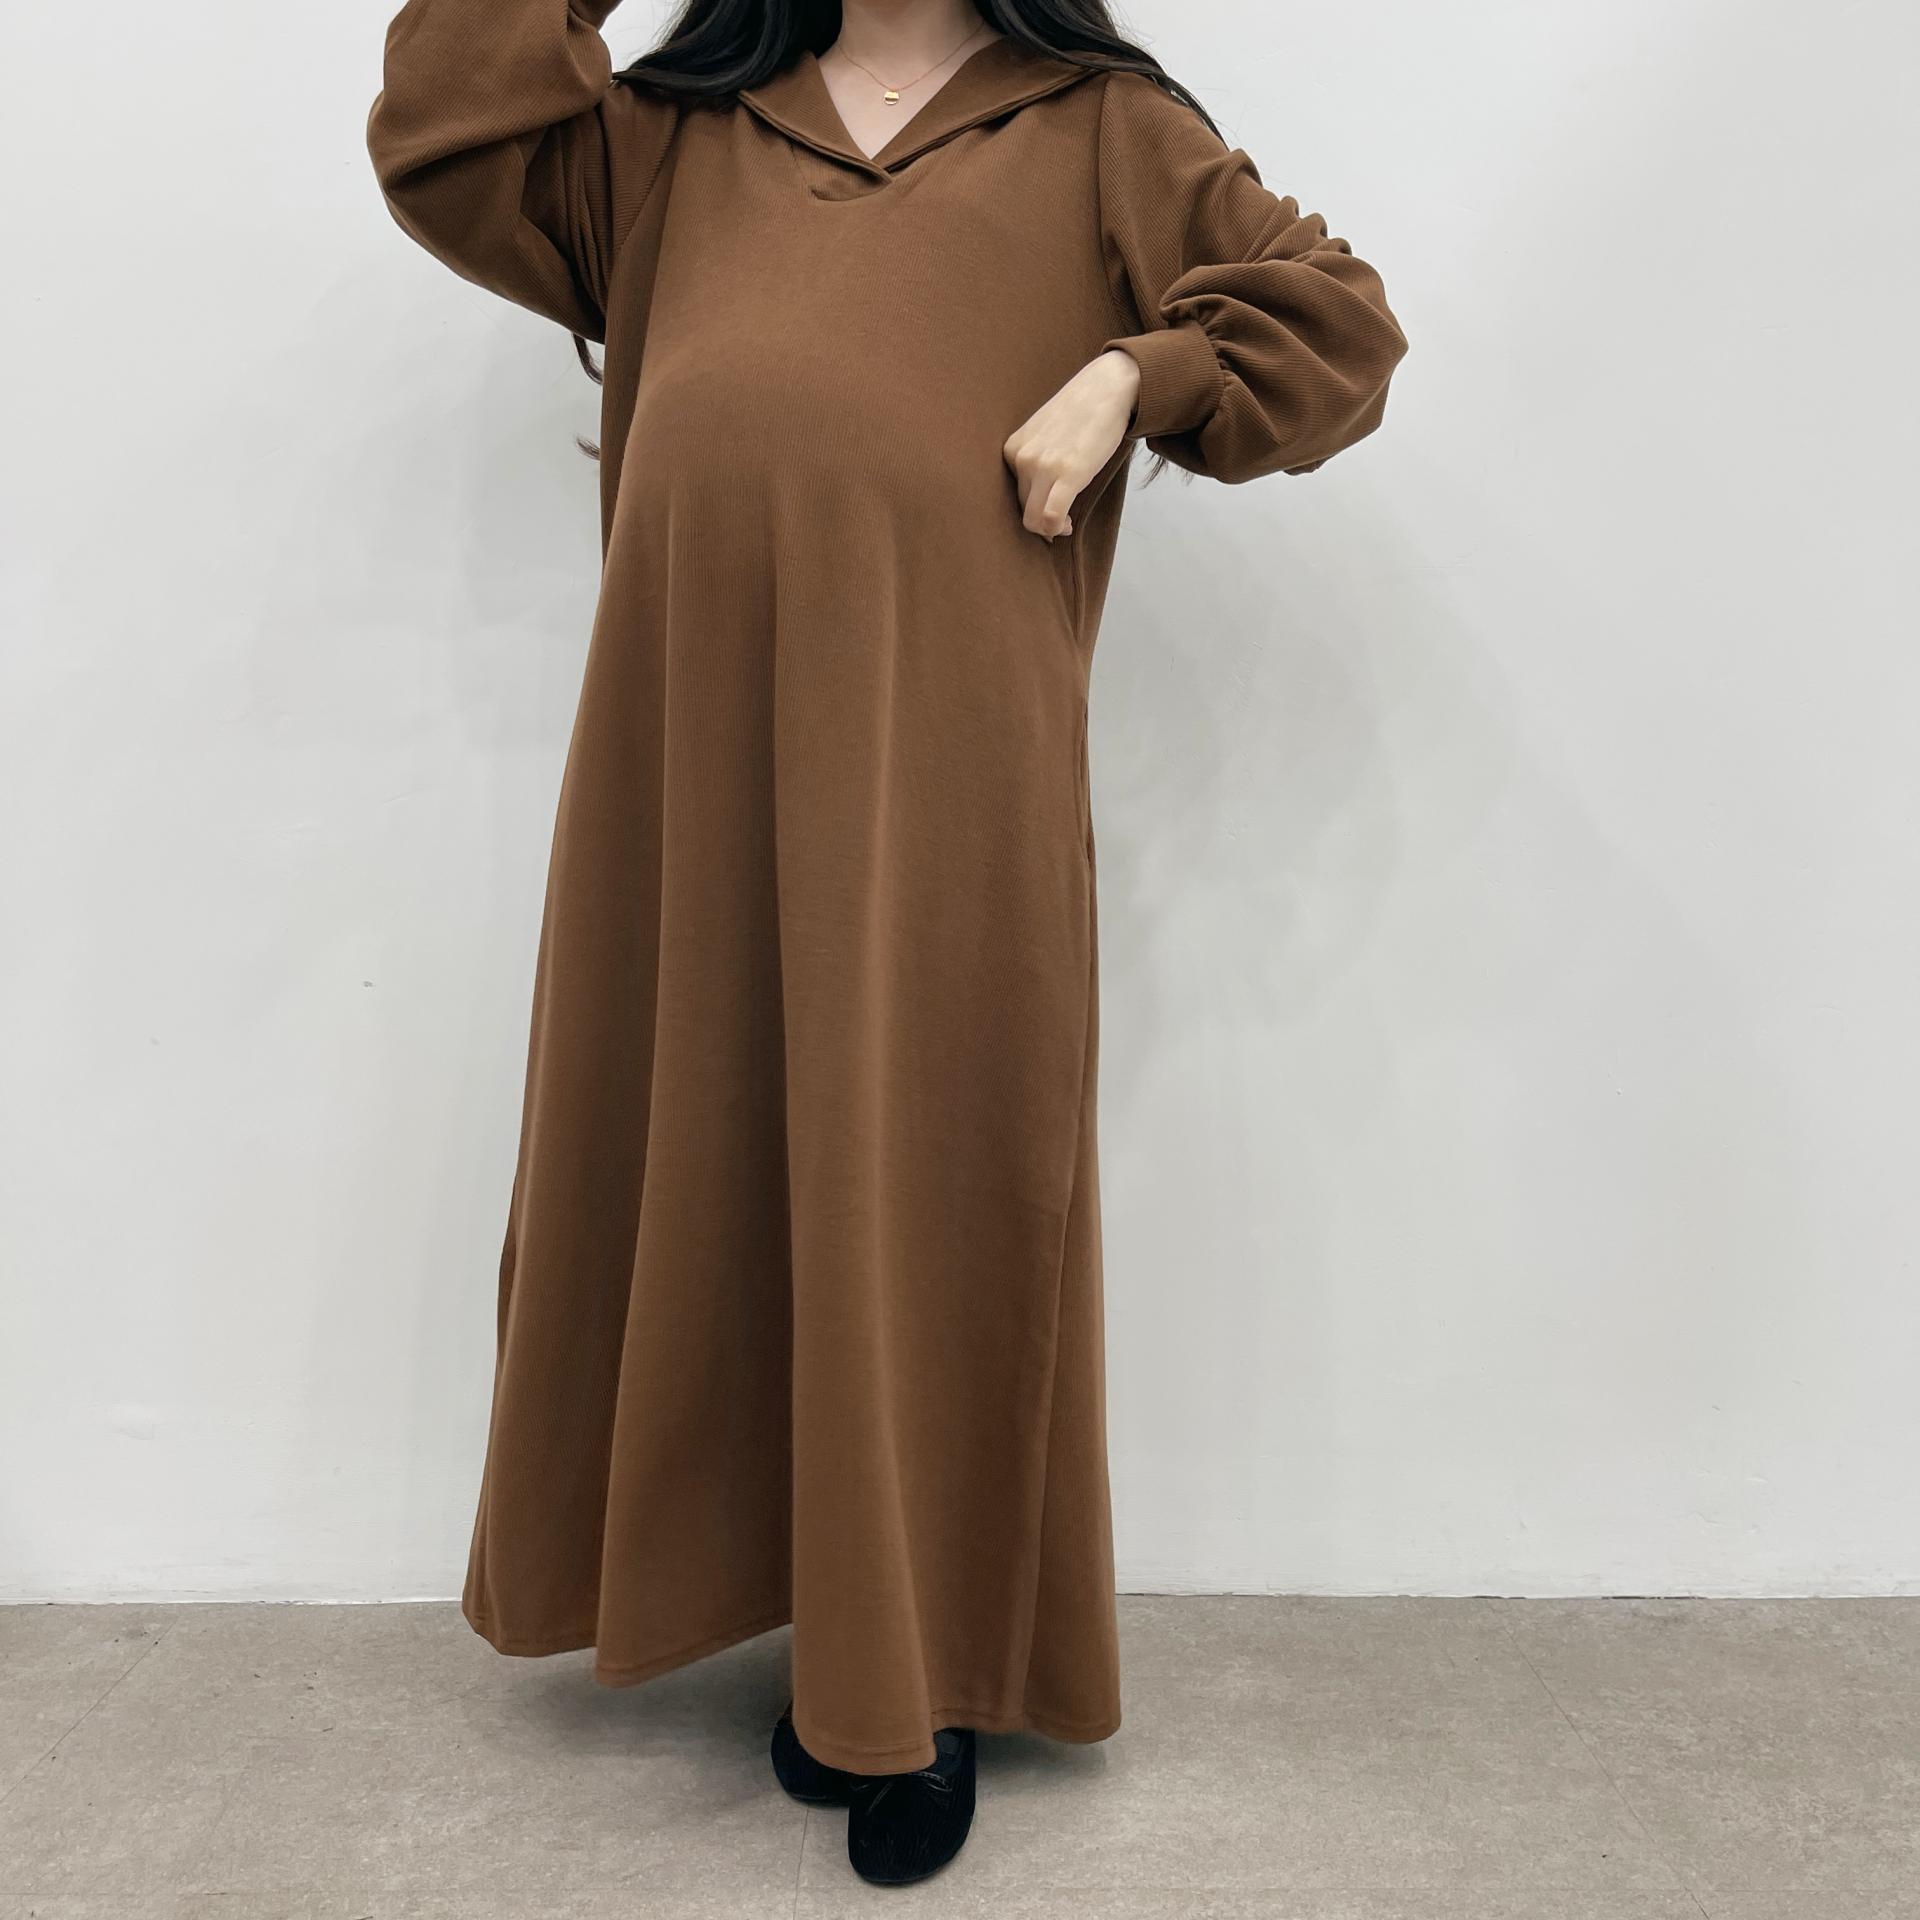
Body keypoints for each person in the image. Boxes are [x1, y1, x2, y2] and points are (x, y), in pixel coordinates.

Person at [366, 0, 1405, 1886]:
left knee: (921, 1179)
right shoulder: (674, 134)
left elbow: (1336, 328)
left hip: (947, 768)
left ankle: (910, 1679)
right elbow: (446, 133)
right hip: (690, 760)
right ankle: (775, 1602)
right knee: (709, 1160)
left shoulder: (1095, 126)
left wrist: (1139, 371)